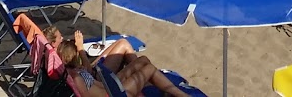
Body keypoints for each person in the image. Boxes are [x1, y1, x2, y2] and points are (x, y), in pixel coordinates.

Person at [54, 31, 192, 97]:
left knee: (141, 62)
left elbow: (96, 85)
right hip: (115, 94)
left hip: (109, 87)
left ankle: (163, 89)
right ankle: (181, 95)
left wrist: (118, 78)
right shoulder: (77, 78)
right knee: (148, 68)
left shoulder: (74, 73)